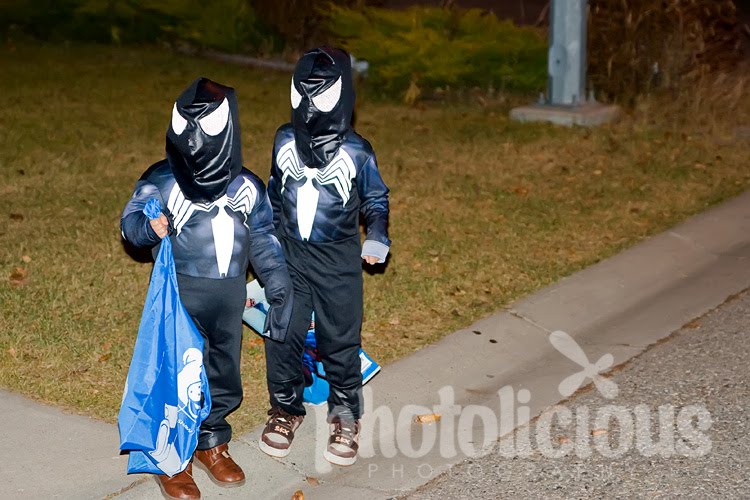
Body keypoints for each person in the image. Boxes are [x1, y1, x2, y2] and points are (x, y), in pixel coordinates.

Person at [121, 77, 292, 499]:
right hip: (180, 294)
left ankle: (211, 439)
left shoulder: (247, 186)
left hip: (229, 292)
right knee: (177, 373)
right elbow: (131, 222)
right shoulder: (162, 180)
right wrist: (148, 227)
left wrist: (278, 283)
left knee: (222, 370)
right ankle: (171, 457)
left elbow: (264, 237)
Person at [260, 47, 391, 466]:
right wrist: (264, 242)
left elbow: (375, 199)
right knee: (282, 333)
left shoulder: (357, 152)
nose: (311, 105)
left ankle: (345, 414)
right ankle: (285, 409)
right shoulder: (284, 140)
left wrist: (377, 236)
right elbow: (274, 192)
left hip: (337, 260)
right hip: (290, 256)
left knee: (339, 339)